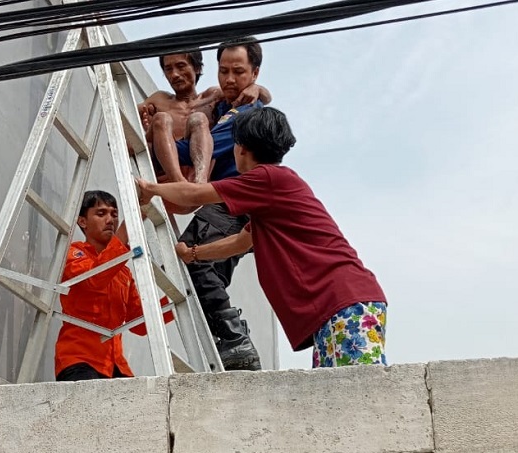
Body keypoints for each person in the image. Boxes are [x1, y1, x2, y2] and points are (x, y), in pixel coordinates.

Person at [137, 107, 388, 368]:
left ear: (241, 148)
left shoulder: (267, 179)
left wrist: (150, 188)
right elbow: (239, 243)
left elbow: (194, 194)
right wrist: (194, 254)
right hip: (339, 308)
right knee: (339, 398)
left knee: (356, 395)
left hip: (343, 303)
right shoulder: (272, 198)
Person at [167, 37, 269, 371]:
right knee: (205, 276)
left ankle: (236, 339)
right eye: (223, 71)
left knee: (190, 255)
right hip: (232, 206)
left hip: (233, 203)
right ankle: (232, 350)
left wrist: (162, 138)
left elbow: (187, 153)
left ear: (254, 72)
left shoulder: (244, 116)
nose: (229, 79)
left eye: (238, 72)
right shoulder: (225, 108)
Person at [55, 190, 173, 381]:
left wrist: (175, 301)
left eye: (114, 214)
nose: (110, 220)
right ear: (82, 221)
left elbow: (139, 325)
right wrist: (127, 229)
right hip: (79, 359)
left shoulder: (123, 272)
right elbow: (94, 278)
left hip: (116, 364)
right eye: (101, 214)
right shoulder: (73, 253)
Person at [138, 51, 271, 188]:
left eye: (181, 66)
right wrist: (148, 132)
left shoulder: (213, 96)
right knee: (162, 118)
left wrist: (257, 88)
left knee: (199, 119)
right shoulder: (159, 99)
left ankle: (199, 184)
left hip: (197, 173)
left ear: (197, 68)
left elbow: (251, 96)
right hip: (161, 173)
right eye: (168, 69)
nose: (175, 74)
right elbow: (122, 120)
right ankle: (179, 183)